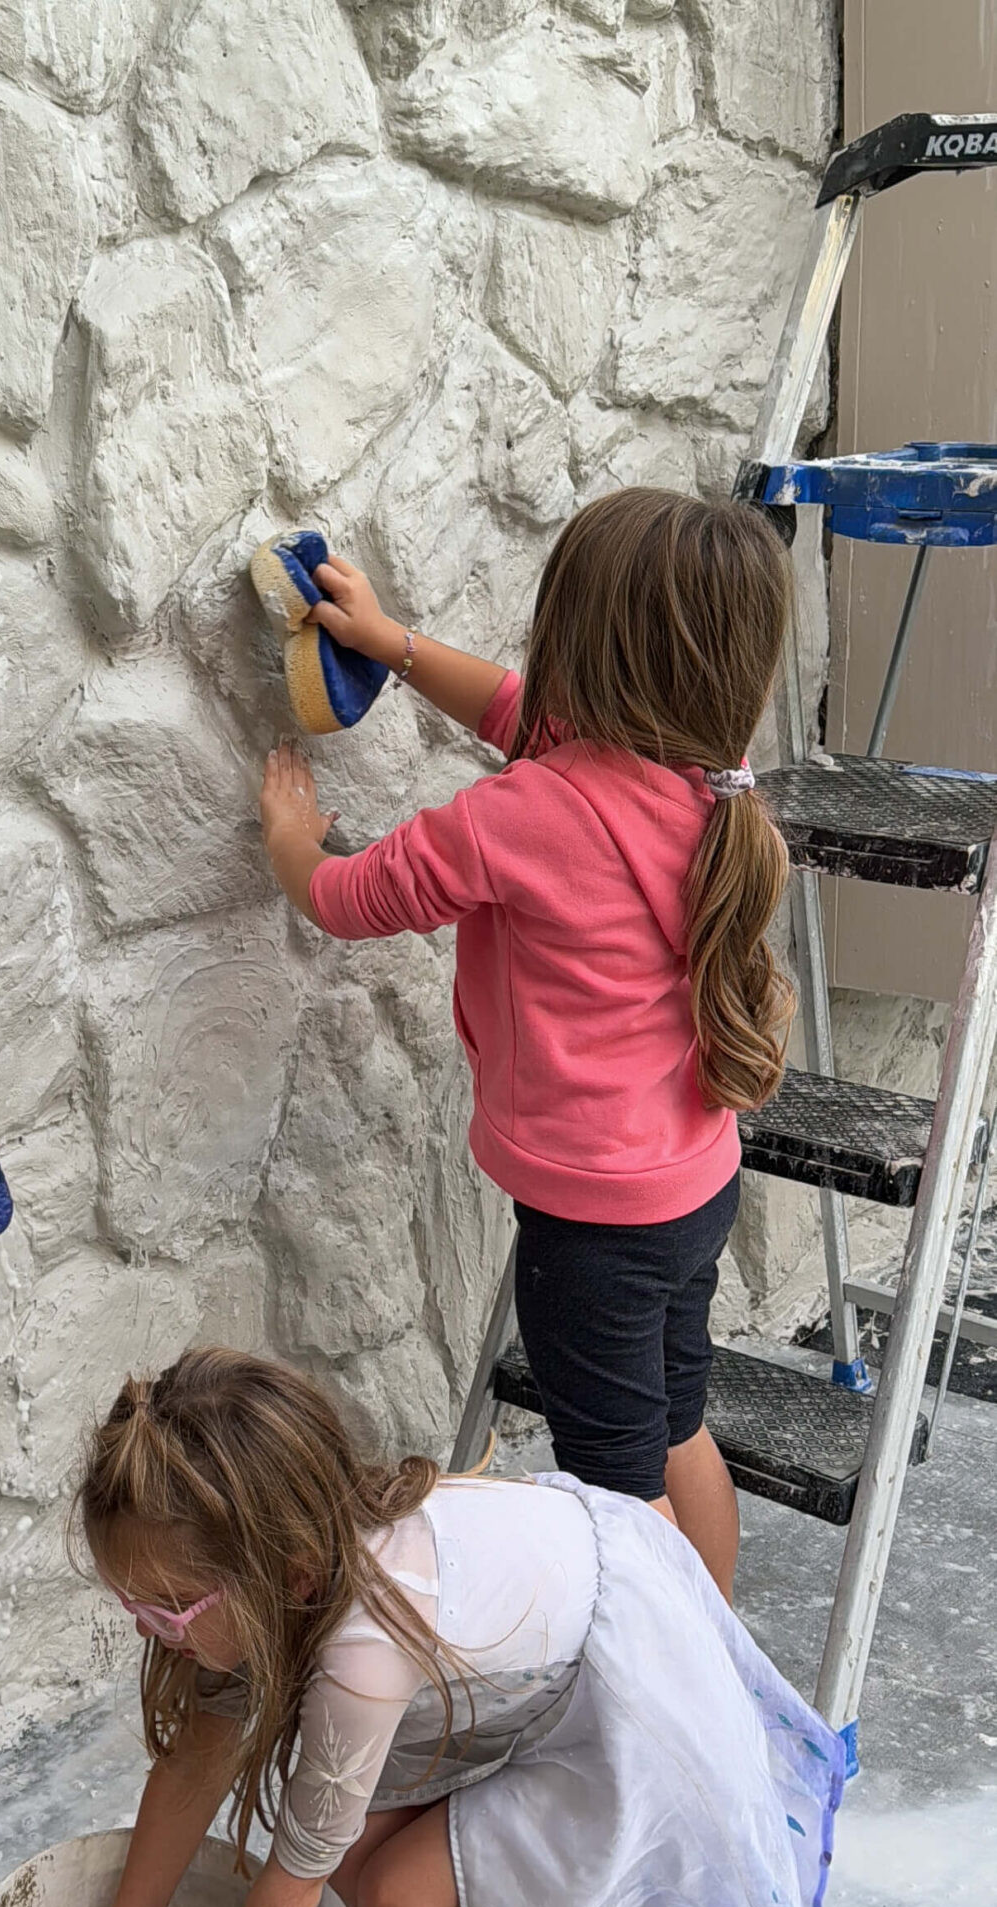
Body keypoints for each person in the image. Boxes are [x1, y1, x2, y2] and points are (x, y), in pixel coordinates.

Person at [76, 1349, 840, 1907]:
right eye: (134, 1605)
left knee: (399, 1892)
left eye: (167, 1608)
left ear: (282, 1573)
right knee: (360, 1848)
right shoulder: (289, 1561)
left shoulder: (363, 1650)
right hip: (546, 1674)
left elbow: (291, 1879)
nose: (151, 1629)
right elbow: (195, 1758)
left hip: (624, 1708)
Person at [258, 488, 796, 1601]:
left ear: (580, 645)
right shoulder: (707, 772)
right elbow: (515, 709)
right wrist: (392, 644)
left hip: (594, 1227)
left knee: (613, 1502)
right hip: (694, 1188)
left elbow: (355, 897)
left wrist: (289, 844)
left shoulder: (529, 813)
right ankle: (721, 1655)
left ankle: (659, 1709)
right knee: (677, 1429)